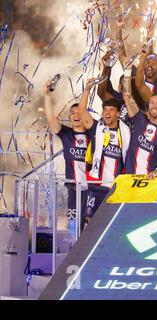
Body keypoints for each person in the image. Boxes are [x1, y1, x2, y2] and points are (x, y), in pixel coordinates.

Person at [79, 78, 131, 219]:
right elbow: (82, 111)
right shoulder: (97, 128)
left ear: (118, 113)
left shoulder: (127, 132)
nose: (107, 113)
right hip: (97, 183)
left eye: (111, 110)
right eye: (105, 110)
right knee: (91, 220)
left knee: (114, 221)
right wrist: (87, 90)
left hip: (117, 186)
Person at [43, 81, 89, 233]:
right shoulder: (67, 134)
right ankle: (74, 254)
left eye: (79, 112)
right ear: (69, 117)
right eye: (72, 113)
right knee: (74, 227)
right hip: (73, 189)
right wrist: (47, 95)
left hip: (92, 189)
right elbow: (51, 119)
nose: (76, 115)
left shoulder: (94, 134)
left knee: (91, 226)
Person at [121, 73, 157, 178]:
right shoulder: (139, 118)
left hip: (148, 183)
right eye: (152, 103)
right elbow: (127, 95)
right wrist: (127, 71)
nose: (154, 106)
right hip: (128, 180)